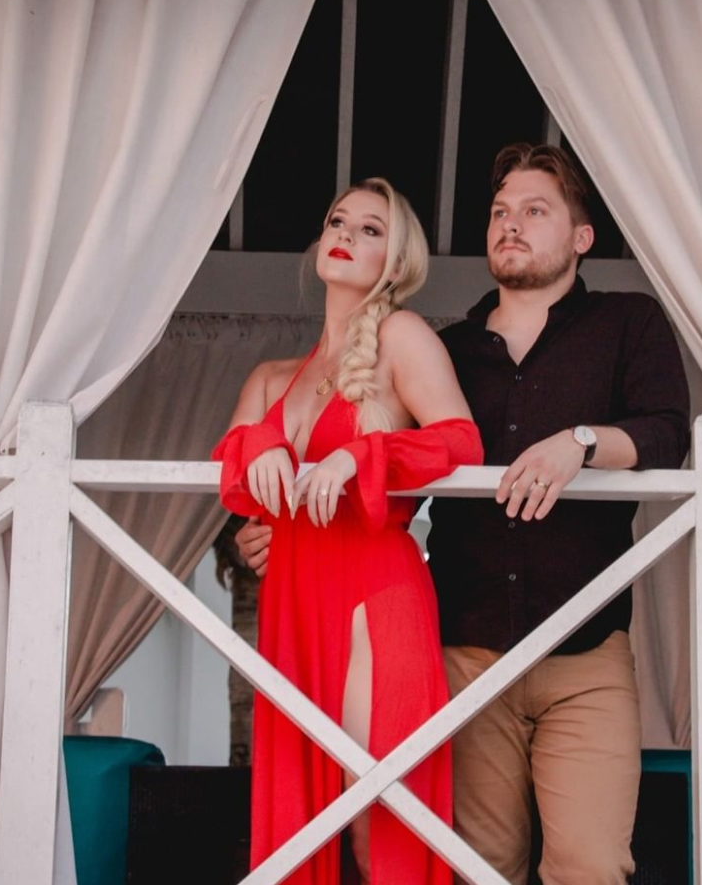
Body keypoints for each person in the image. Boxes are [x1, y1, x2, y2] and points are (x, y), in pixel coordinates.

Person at [238, 143, 691, 885]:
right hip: (466, 652)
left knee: (592, 863)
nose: (510, 225)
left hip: (585, 651)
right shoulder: (445, 347)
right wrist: (283, 523)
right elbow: (398, 485)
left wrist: (580, 442)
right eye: (500, 213)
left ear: (582, 237)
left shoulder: (626, 323)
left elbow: (668, 432)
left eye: (535, 211)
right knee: (478, 866)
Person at [213, 178, 483, 885]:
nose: (347, 234)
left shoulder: (401, 334)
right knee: (296, 826)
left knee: (379, 815)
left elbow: (461, 441)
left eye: (371, 229)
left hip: (376, 592)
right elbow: (229, 465)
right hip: (291, 602)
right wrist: (260, 450)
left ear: (396, 264)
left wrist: (364, 452)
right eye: (339, 221)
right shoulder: (274, 378)